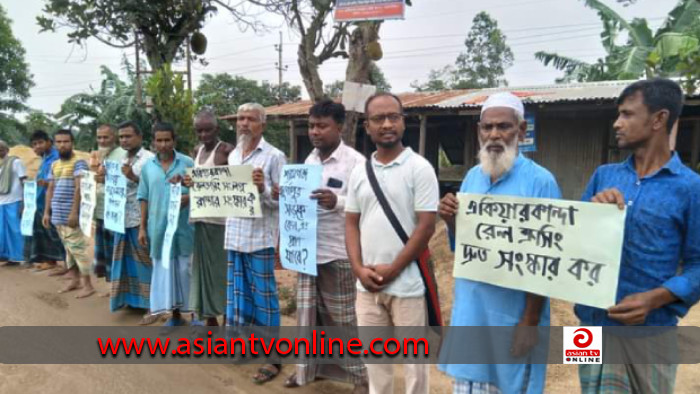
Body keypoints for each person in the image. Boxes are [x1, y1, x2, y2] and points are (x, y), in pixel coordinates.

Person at [575, 78, 700, 393]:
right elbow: (572, 244)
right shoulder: (603, 176)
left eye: (627, 114)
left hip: (651, 333)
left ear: (658, 119)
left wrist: (655, 298)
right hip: (588, 328)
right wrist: (591, 212)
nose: (617, 123)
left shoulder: (691, 188)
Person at [437, 92, 561, 394]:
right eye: (487, 127)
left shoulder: (541, 182)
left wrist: (530, 321)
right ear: (479, 131)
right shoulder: (471, 178)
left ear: (520, 131)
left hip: (513, 316)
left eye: (503, 127)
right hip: (472, 312)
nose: (494, 134)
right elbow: (465, 247)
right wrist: (451, 220)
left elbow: (547, 259)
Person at [345, 93, 439, 394]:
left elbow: (426, 227)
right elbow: (350, 222)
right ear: (367, 126)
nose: (387, 124)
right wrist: (359, 269)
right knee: (377, 367)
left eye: (393, 117)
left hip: (408, 286)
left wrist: (394, 269)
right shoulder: (359, 171)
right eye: (378, 119)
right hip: (367, 287)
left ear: (403, 121)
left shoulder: (420, 168)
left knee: (416, 369)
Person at [282, 100, 368, 393]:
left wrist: (338, 202)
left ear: (339, 127)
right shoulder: (309, 162)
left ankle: (360, 377)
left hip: (340, 253)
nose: (315, 132)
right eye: (311, 126)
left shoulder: (356, 163)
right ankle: (306, 371)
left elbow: (370, 206)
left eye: (322, 126)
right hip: (308, 253)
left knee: (343, 319)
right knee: (308, 318)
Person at [224, 102, 286, 384]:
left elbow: (282, 199)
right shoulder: (234, 154)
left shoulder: (274, 156)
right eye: (241, 118)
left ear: (263, 123)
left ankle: (273, 356)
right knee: (239, 295)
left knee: (265, 298)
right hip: (235, 234)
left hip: (260, 238)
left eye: (250, 119)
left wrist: (263, 190)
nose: (244, 123)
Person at [138, 122, 194, 326]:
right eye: (159, 140)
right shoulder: (148, 168)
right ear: (153, 142)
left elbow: (200, 190)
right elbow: (143, 197)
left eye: (167, 140)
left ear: (174, 141)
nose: (163, 144)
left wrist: (188, 198)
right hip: (158, 229)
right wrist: (142, 227)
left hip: (184, 229)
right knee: (164, 273)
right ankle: (175, 316)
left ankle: (195, 316)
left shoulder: (188, 163)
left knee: (185, 272)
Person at [182, 110, 234, 326]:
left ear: (217, 129)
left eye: (207, 130)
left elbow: (235, 184)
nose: (203, 135)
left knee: (222, 272)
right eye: (199, 131)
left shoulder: (227, 151)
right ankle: (209, 318)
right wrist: (188, 186)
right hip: (201, 220)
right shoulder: (197, 150)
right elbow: (198, 182)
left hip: (221, 222)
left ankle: (226, 318)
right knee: (203, 273)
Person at [109, 121, 155, 322]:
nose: (124, 140)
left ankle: (152, 305)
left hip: (140, 219)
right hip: (120, 218)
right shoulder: (119, 158)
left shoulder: (149, 160)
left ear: (140, 137)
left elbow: (154, 188)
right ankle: (130, 299)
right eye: (121, 137)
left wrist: (134, 177)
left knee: (144, 262)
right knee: (125, 262)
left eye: (128, 136)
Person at [42, 129, 95, 298]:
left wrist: (74, 212)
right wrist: (46, 212)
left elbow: (80, 188)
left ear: (72, 143)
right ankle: (74, 279)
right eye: (59, 141)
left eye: (66, 141)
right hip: (57, 214)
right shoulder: (55, 164)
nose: (62, 145)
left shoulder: (79, 163)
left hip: (71, 215)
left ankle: (88, 285)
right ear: (55, 143)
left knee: (78, 249)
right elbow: (51, 188)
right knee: (68, 249)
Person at [89, 124, 126, 288]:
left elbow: (127, 180)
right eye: (99, 137)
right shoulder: (99, 156)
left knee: (116, 250)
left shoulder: (123, 154)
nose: (102, 141)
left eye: (106, 137)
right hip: (101, 209)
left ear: (114, 138)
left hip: (117, 210)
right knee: (105, 248)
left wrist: (107, 179)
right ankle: (112, 286)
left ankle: (120, 287)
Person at [26, 131, 65, 272]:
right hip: (41, 201)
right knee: (45, 233)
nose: (37, 146)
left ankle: (67, 264)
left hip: (55, 202)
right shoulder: (45, 158)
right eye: (34, 144)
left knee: (57, 234)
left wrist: (47, 184)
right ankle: (50, 261)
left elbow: (61, 180)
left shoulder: (56, 157)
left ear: (49, 141)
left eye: (40, 143)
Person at [0, 139, 27, 266]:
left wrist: (24, 201)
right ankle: (8, 256)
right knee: (2, 231)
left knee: (15, 230)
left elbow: (24, 181)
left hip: (14, 200)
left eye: (1, 149)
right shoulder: (1, 165)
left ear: (7, 149)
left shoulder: (16, 162)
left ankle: (20, 256)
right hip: (1, 202)